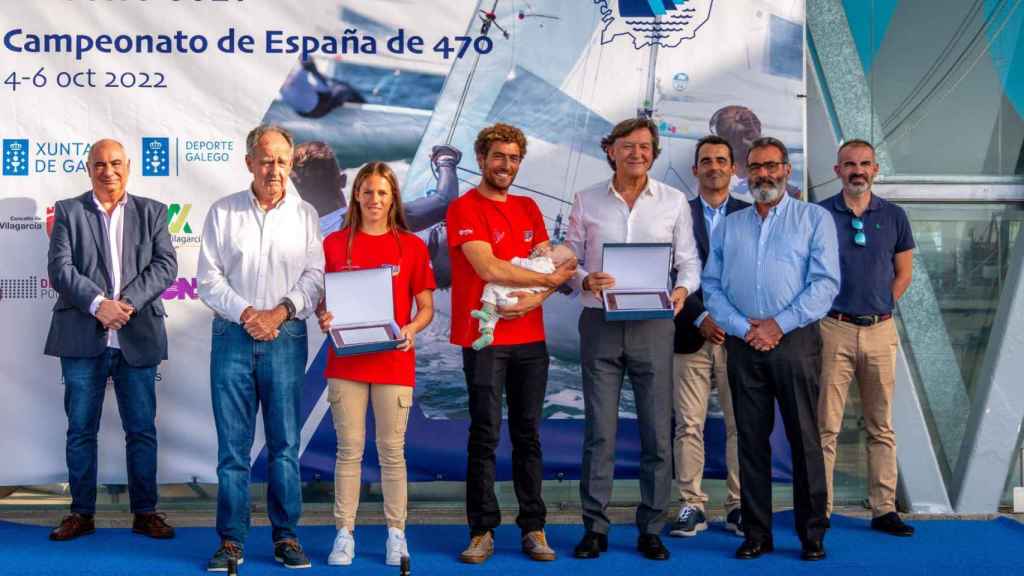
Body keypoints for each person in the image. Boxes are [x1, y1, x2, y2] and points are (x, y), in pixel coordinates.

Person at [564, 117, 701, 561]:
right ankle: (595, 527)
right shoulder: (586, 200)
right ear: (611, 150)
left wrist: (681, 291)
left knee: (657, 434)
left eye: (645, 147)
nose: (636, 153)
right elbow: (567, 260)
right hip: (600, 324)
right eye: (628, 146)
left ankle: (652, 527)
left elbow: (689, 263)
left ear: (654, 153)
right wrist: (586, 279)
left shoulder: (674, 201)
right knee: (599, 433)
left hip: (654, 325)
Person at [703, 136, 839, 561]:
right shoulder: (730, 225)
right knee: (750, 442)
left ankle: (812, 532)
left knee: (805, 439)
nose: (764, 174)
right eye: (756, 167)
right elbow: (711, 286)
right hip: (744, 345)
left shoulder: (813, 219)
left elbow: (825, 284)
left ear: (786, 170)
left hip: (795, 342)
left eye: (772, 166)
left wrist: (778, 325)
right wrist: (746, 328)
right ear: (746, 173)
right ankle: (757, 533)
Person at [446, 123, 576, 564]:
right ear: (481, 159)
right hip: (482, 337)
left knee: (529, 435)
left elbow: (547, 264)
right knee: (485, 435)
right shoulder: (463, 208)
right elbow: (488, 268)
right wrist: (549, 279)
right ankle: (481, 529)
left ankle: (533, 527)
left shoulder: (529, 207)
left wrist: (536, 297)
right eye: (498, 157)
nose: (506, 165)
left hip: (530, 339)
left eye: (514, 158)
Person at [197, 125, 325, 571]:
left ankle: (286, 537)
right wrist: (251, 314)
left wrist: (280, 312)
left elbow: (314, 276)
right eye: (267, 160)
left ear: (292, 165)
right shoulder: (222, 212)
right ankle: (231, 542)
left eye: (283, 162)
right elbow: (208, 280)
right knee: (233, 450)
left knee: (284, 446)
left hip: (286, 337)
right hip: (233, 336)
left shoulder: (306, 215)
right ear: (249, 161)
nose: (275, 170)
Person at [44, 138, 178, 542]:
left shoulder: (152, 211)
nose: (109, 171)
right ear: (89, 169)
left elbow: (166, 265)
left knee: (141, 430)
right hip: (84, 336)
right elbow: (60, 269)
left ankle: (146, 512)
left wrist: (127, 305)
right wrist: (99, 304)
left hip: (136, 336)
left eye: (116, 163)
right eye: (100, 164)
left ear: (128, 166)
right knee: (80, 430)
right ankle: (81, 513)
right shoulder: (69, 211)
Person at [315, 162, 436, 566]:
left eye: (382, 193)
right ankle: (344, 533)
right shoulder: (334, 245)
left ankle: (396, 534)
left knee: (392, 451)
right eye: (367, 192)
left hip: (393, 362)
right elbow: (322, 302)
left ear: (393, 198)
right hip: (346, 362)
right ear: (356, 196)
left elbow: (426, 307)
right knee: (348, 450)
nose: (374, 200)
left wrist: (412, 328)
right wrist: (324, 316)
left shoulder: (412, 247)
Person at [818, 139, 916, 537]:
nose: (857, 170)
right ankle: (819, 508)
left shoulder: (894, 215)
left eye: (864, 164)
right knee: (826, 425)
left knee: (880, 424)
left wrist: (878, 305)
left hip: (880, 330)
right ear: (837, 169)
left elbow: (904, 273)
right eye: (849, 164)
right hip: (831, 328)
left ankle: (884, 508)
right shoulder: (819, 214)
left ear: (875, 169)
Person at [669, 135, 749, 539]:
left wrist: (730, 320)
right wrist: (699, 316)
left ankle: (738, 506)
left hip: (738, 339)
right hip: (689, 335)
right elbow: (669, 270)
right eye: (706, 160)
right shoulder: (676, 213)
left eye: (722, 160)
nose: (714, 166)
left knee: (741, 426)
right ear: (696, 169)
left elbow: (758, 276)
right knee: (688, 425)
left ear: (733, 169)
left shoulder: (754, 215)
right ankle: (691, 505)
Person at [470, 244, 575, 350]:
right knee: (494, 315)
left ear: (557, 262)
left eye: (552, 249)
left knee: (491, 287)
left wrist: (515, 261)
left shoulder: (545, 264)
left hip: (512, 296)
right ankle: (487, 334)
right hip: (515, 301)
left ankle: (486, 312)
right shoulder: (551, 272)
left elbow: (525, 266)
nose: (547, 248)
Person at [280, 57, 365, 119]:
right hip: (317, 110)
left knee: (329, 87)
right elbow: (326, 90)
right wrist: (315, 71)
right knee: (344, 89)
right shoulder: (299, 75)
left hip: (301, 113)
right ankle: (363, 107)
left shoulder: (280, 81)